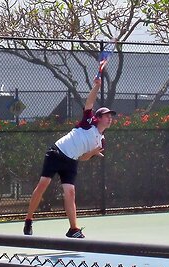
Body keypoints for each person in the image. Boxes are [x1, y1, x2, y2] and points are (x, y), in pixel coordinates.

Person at [23, 77, 116, 238]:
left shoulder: (101, 142)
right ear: (98, 118)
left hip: (71, 161)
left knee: (71, 192)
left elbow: (84, 158)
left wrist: (92, 153)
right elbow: (89, 103)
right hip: (56, 152)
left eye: (111, 116)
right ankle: (29, 219)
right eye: (107, 115)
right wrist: (97, 86)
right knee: (43, 185)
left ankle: (73, 229)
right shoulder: (88, 123)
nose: (110, 118)